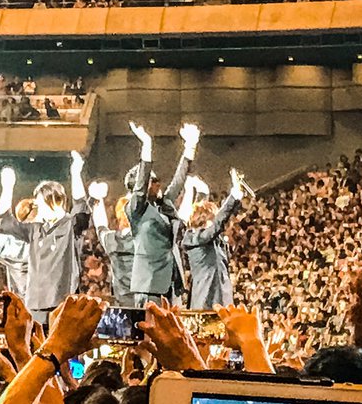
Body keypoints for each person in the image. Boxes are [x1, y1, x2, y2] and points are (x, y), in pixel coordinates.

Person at [0, 150, 90, 322]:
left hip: (62, 302)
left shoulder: (71, 225)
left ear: (55, 201)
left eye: (42, 204)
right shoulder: (36, 229)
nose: (39, 208)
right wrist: (7, 187)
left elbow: (81, 207)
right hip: (35, 302)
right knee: (36, 347)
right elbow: (5, 222)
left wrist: (75, 173)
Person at [126, 122, 198, 305]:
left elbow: (178, 181)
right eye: (153, 181)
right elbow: (140, 187)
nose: (158, 184)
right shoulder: (136, 209)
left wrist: (190, 147)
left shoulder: (163, 204)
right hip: (149, 285)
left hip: (171, 281)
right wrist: (147, 146)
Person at [182, 168, 246, 308]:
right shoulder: (194, 237)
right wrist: (234, 194)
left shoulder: (215, 239)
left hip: (222, 296)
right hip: (206, 298)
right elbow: (218, 223)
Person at [89, 181, 136, 306]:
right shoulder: (146, 239)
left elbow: (100, 225)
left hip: (122, 301)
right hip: (147, 300)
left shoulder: (111, 239)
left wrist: (98, 200)